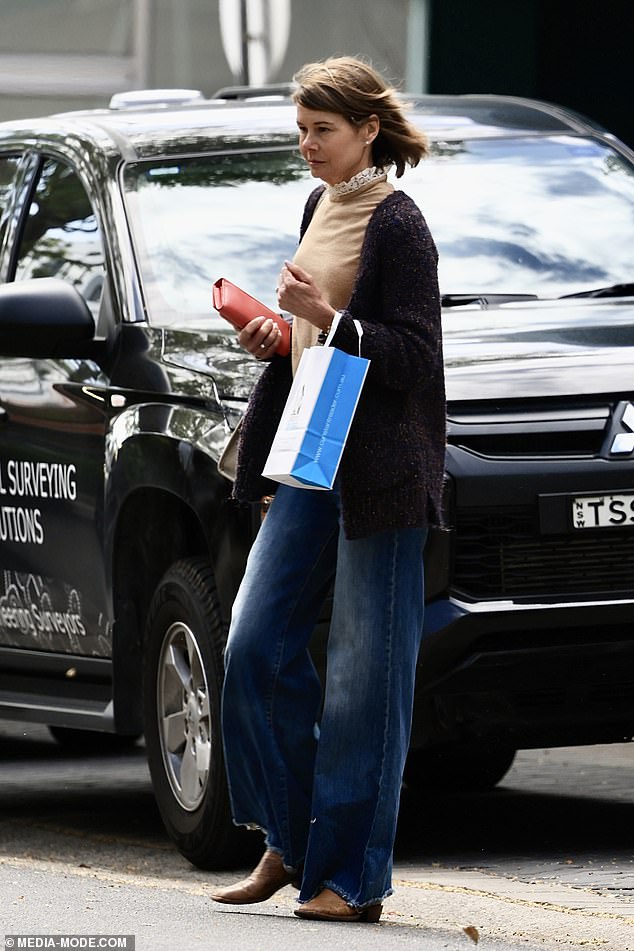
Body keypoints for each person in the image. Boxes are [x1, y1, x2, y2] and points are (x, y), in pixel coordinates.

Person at [210, 55, 446, 923]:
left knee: (361, 680)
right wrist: (281, 337)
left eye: (322, 131)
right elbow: (316, 345)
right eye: (300, 131)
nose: (306, 146)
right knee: (253, 645)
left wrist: (330, 320)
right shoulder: (320, 205)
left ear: (367, 132)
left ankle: (349, 878)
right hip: (311, 458)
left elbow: (416, 356)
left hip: (382, 473)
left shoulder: (400, 224)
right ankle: (291, 838)